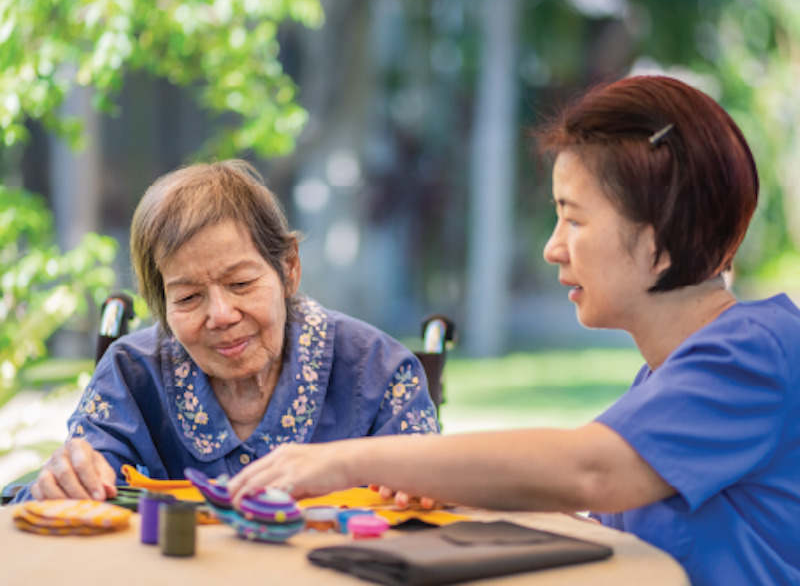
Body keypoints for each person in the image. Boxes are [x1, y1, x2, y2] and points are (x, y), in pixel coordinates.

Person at [225, 76, 800, 585]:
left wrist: (350, 460)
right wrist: (459, 483)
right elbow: (606, 517)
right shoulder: (669, 374)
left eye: (573, 218)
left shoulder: (756, 353)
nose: (553, 248)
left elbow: (589, 470)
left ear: (659, 237)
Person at [15, 160, 439, 502]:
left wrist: (422, 485)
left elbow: (434, 497)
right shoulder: (131, 375)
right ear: (161, 305)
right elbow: (66, 495)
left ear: (289, 268)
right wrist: (63, 481)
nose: (220, 314)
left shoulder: (378, 371)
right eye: (188, 298)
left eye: (241, 284)